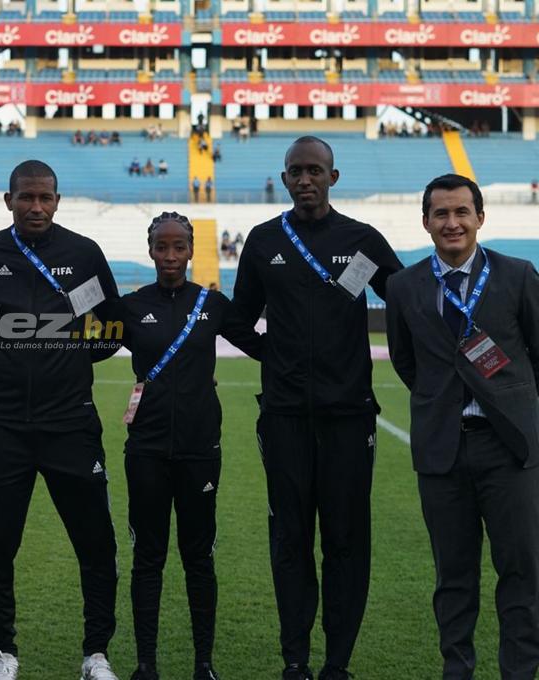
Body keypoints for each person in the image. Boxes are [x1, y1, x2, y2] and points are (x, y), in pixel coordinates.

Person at [229, 136, 403, 680]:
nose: (305, 179)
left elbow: (404, 300)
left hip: (350, 416)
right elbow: (239, 320)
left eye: (315, 170)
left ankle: (337, 664)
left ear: (333, 176)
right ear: (284, 179)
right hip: (283, 416)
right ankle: (295, 661)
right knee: (290, 540)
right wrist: (274, 356)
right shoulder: (262, 241)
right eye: (296, 171)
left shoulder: (362, 238)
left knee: (348, 540)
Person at [0, 160, 122, 680]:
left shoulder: (83, 253)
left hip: (71, 426)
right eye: (26, 197)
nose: (36, 206)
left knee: (97, 546)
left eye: (45, 198)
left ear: (58, 201)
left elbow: (111, 328)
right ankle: (4, 653)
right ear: (9, 200)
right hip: (2, 429)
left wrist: (64, 360)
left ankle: (96, 654)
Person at [386, 173, 539, 680]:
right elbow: (408, 364)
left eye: (461, 212)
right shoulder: (403, 286)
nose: (452, 223)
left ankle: (519, 672)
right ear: (426, 221)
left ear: (479, 217)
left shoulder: (518, 275)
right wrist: (441, 403)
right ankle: (458, 670)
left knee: (520, 572)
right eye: (441, 214)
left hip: (509, 450)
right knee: (454, 576)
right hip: (441, 451)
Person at [109, 211, 262, 680]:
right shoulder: (131, 306)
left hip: (200, 452)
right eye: (162, 246)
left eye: (179, 247)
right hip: (147, 451)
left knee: (199, 558)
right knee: (148, 558)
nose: (170, 256)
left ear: (192, 250)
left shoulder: (212, 305)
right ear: (150, 248)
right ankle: (145, 665)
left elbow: (260, 346)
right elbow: (87, 344)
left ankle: (203, 665)